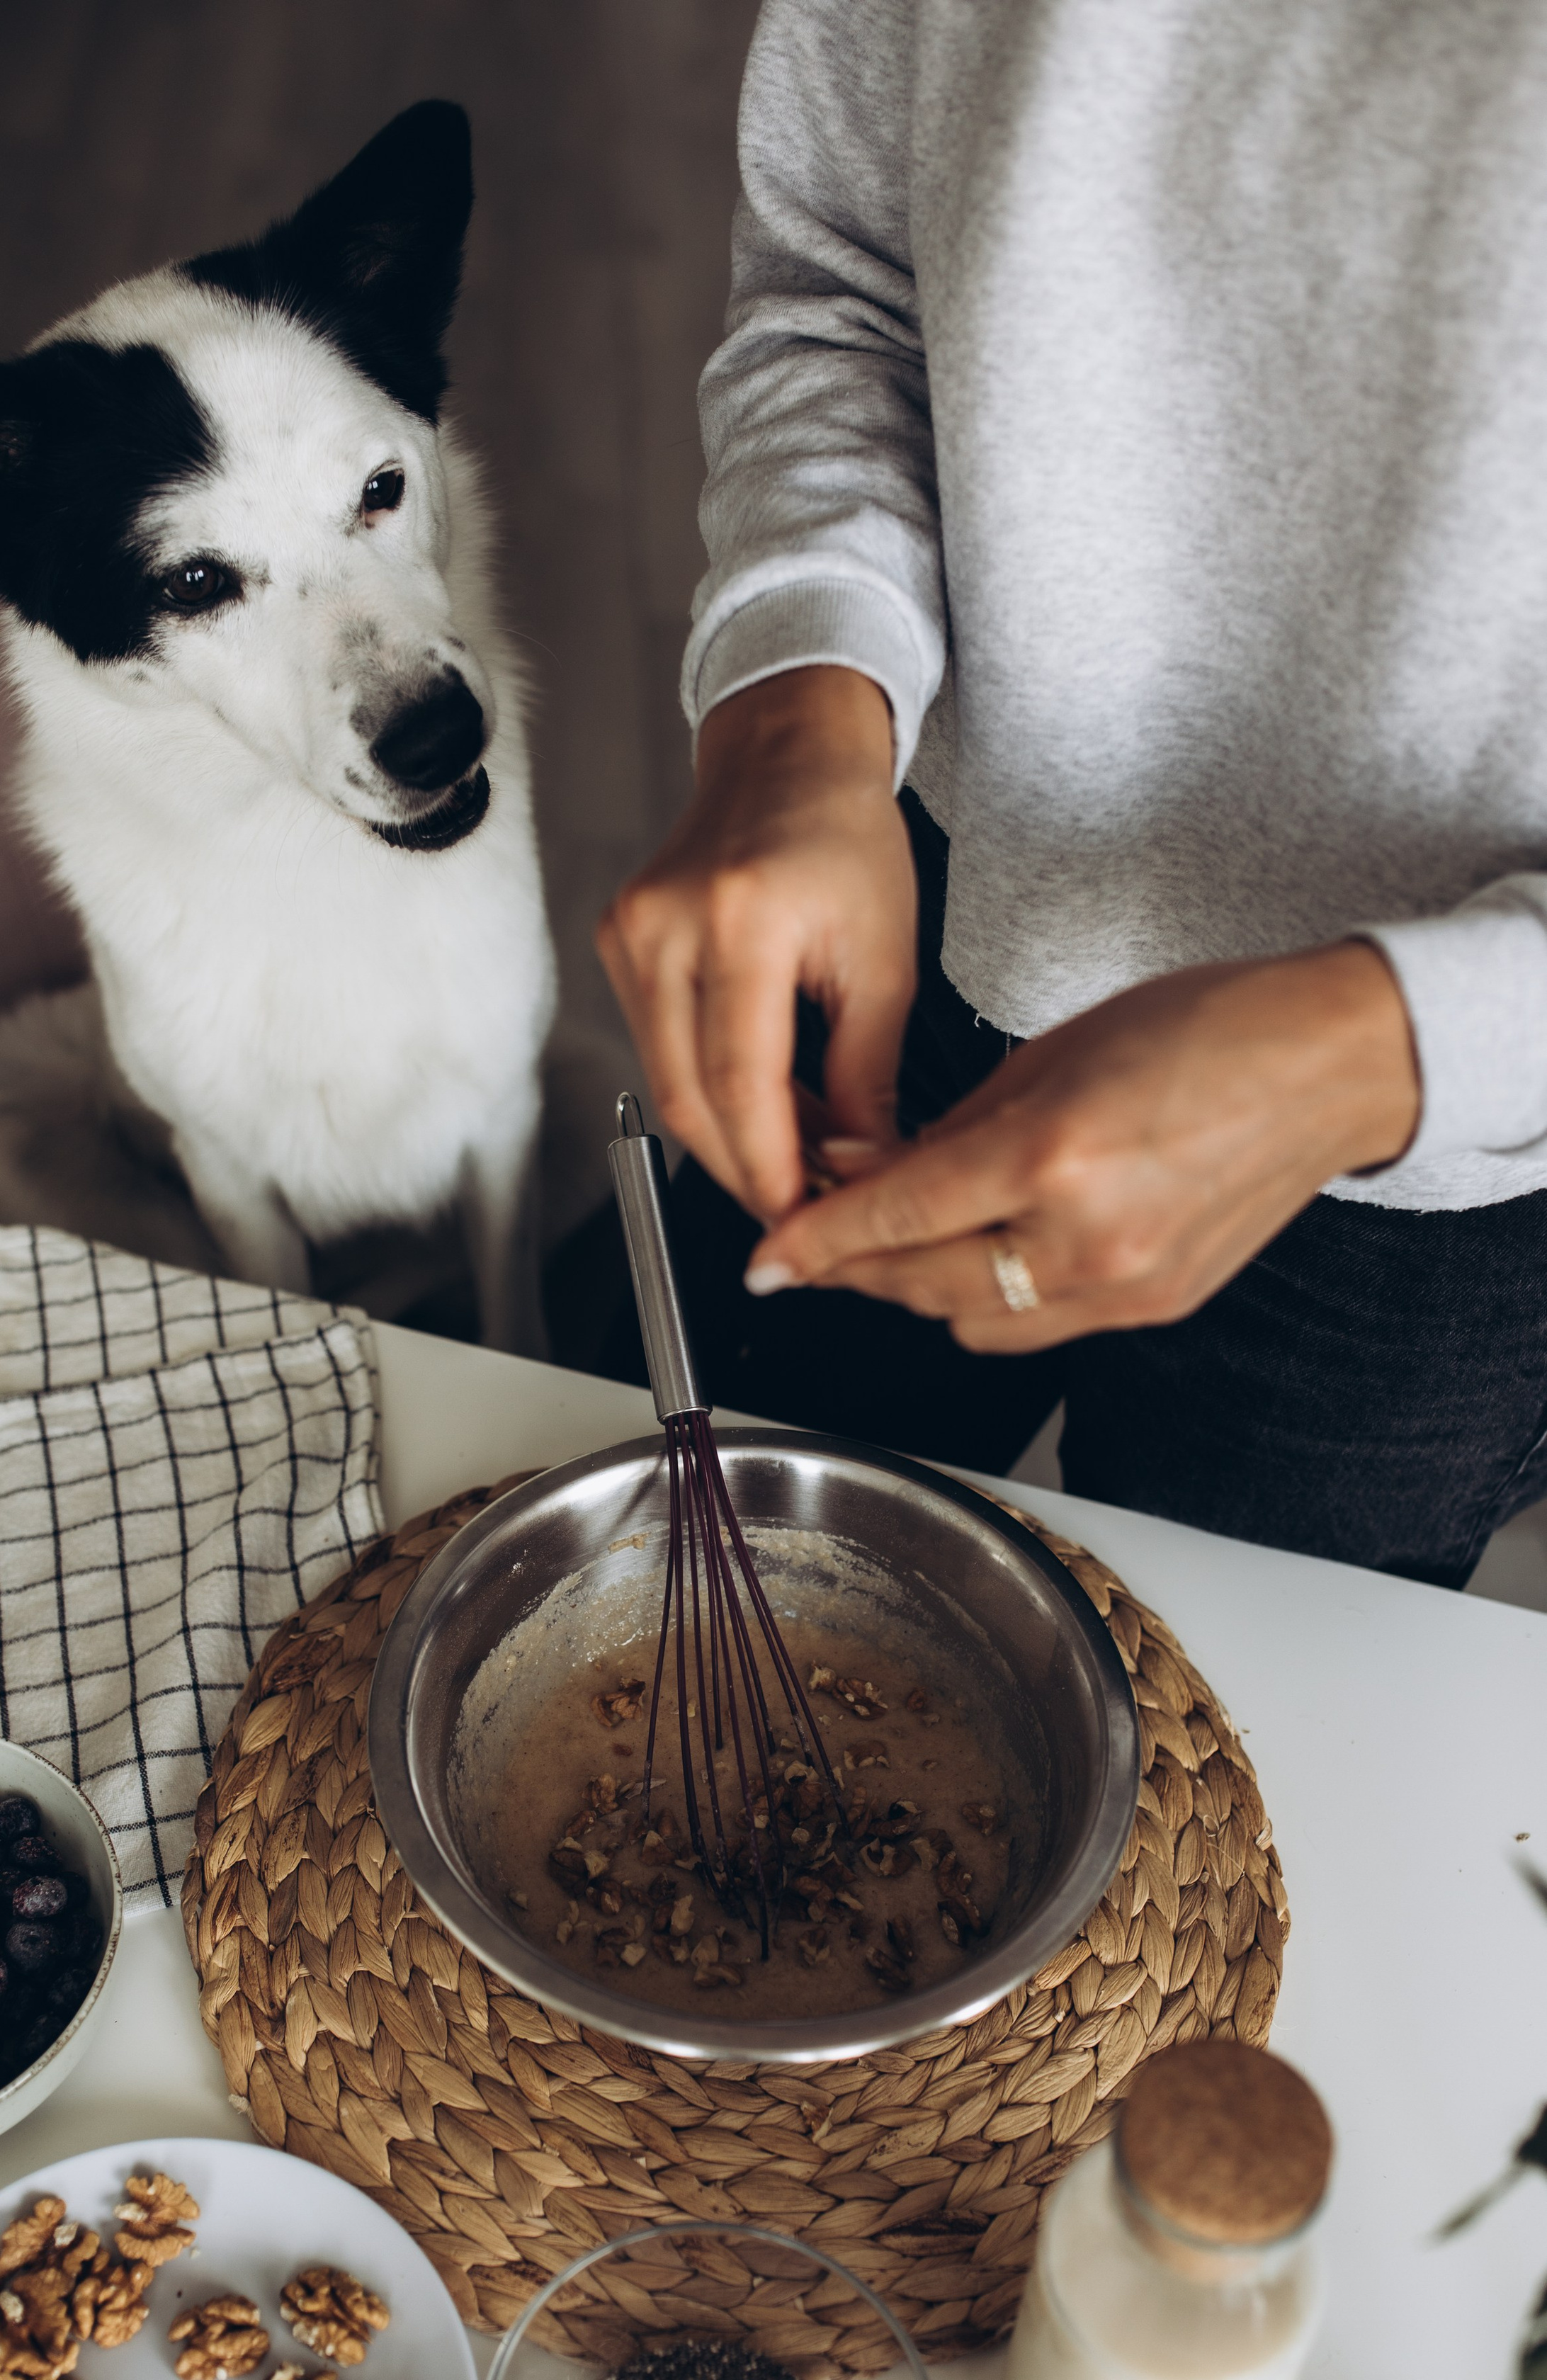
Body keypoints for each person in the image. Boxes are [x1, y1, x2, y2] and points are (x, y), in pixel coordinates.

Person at [598, 0, 1547, 1589]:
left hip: (1446, 1155)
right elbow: (846, 280)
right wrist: (797, 709)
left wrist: (1388, 1050)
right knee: (706, 1569)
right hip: (911, 891)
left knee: (1235, 1723)